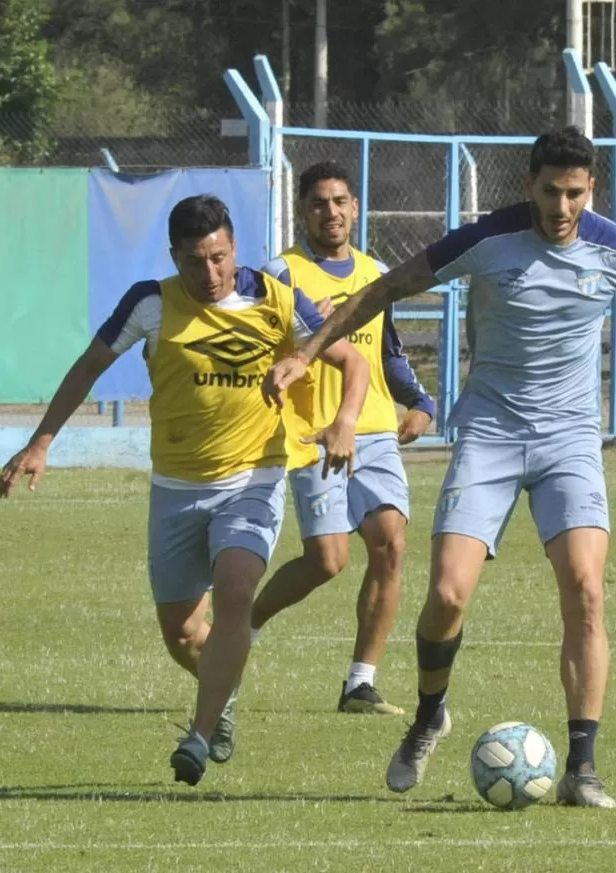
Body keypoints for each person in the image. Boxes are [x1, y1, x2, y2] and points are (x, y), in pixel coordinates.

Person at [263, 127, 616, 809]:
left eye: (575, 193)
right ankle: (429, 712)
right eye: (551, 191)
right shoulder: (486, 240)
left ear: (593, 190)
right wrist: (308, 349)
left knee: (587, 588)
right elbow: (379, 292)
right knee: (447, 595)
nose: (562, 207)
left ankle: (582, 766)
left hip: (569, 442)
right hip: (491, 434)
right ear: (528, 185)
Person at [0, 195, 369, 787]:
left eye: (219, 258)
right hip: (176, 487)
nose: (210, 274)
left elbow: (351, 361)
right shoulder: (151, 302)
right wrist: (41, 442)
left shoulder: (275, 298)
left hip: (255, 475)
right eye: (195, 262)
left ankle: (198, 734)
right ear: (175, 257)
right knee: (182, 635)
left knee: (237, 591)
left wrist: (344, 422)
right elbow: (89, 366)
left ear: (234, 249)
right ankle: (221, 697)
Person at [251, 161, 435, 715]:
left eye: (340, 202)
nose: (330, 212)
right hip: (312, 435)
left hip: (373, 427)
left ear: (355, 208)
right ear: (302, 211)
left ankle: (360, 683)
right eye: (318, 203)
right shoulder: (280, 275)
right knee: (326, 561)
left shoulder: (376, 271)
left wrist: (420, 402)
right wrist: (313, 328)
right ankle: (242, 626)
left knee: (391, 544)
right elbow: (263, 353)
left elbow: (387, 349)